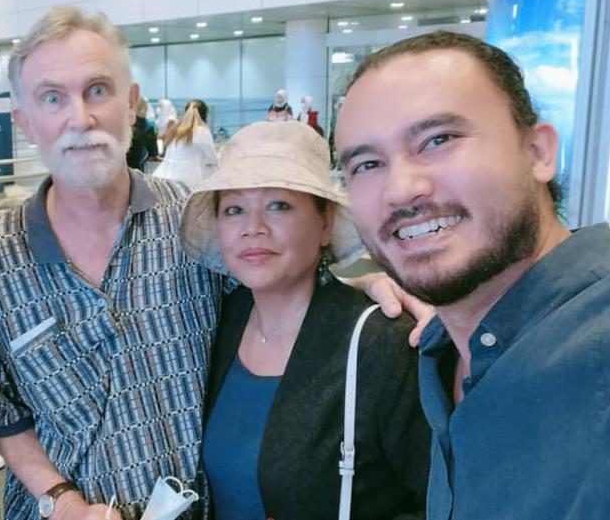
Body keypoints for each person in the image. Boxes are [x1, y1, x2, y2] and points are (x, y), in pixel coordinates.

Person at [0, 6, 428, 520]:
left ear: (131, 103)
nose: (81, 117)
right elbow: (0, 409)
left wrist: (365, 289)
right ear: (24, 122)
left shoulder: (190, 220)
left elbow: (276, 276)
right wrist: (59, 499)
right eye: (53, 98)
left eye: (97, 90)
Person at [335, 30, 610, 520]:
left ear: (538, 151)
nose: (401, 189)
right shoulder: (440, 348)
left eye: (438, 140)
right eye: (367, 164)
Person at [182, 121, 429, 520]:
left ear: (325, 223)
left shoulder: (379, 344)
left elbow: (444, 500)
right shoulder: (219, 321)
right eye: (234, 209)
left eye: (278, 205)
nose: (253, 228)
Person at [152, 103, 218, 186]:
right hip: (185, 182)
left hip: (161, 178)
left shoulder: (175, 130)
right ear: (205, 116)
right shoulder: (202, 131)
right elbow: (212, 160)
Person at [126, 96, 158, 170]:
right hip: (137, 171)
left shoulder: (123, 125)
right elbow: (153, 153)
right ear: (144, 110)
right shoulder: (148, 128)